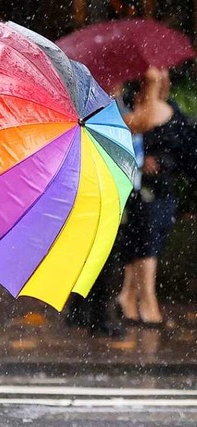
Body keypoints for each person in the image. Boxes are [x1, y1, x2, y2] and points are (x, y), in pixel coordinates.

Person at [117, 67, 185, 327]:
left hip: (158, 188)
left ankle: (129, 297)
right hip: (141, 189)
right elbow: (139, 125)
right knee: (144, 243)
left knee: (144, 242)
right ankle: (144, 302)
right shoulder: (130, 108)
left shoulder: (168, 110)